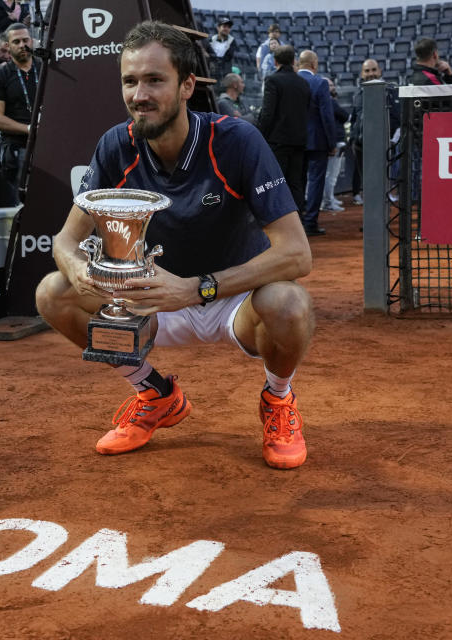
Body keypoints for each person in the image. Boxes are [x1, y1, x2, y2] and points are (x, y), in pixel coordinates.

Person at [35, 21, 315, 470]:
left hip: (232, 301)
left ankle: (277, 400)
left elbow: (297, 254)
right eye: (130, 81)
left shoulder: (237, 141)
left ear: (187, 86)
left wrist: (197, 288)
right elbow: (66, 240)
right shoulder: (115, 145)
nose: (139, 94)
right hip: (153, 302)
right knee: (53, 293)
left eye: (154, 80)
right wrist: (79, 270)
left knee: (289, 302)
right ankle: (155, 394)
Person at [0, 23, 41, 204]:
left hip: (49, 147)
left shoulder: (46, 68)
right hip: (18, 149)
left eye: (25, 40)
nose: (22, 45)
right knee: (25, 206)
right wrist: (28, 128)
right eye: (16, 41)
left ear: (32, 41)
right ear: (8, 46)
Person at [258, 45, 309, 218]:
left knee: (276, 182)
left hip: (277, 141)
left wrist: (260, 135)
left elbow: (267, 113)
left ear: (275, 61)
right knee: (296, 182)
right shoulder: (303, 82)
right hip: (299, 140)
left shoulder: (272, 80)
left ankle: (279, 221)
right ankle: (298, 221)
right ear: (294, 61)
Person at [348, 59, 400, 207]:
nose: (371, 74)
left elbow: (397, 118)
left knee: (379, 184)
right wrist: (353, 139)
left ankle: (380, 222)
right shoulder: (358, 93)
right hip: (360, 146)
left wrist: (389, 141)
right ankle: (371, 222)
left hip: (380, 146)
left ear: (380, 71)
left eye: (373, 70)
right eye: (367, 71)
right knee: (367, 183)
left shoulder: (390, 90)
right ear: (362, 74)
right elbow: (354, 118)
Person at [297, 50, 338, 236]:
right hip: (316, 141)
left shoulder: (291, 81)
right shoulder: (320, 82)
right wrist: (332, 142)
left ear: (299, 63)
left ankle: (296, 222)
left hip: (294, 141)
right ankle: (310, 223)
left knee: (296, 182)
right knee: (315, 181)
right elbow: (327, 116)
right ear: (314, 64)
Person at [322, 78, 348, 213]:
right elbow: (345, 115)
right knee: (330, 175)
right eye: (329, 85)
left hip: (335, 140)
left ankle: (329, 199)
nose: (332, 87)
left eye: (332, 84)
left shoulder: (329, 101)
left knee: (332, 174)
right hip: (334, 141)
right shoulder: (329, 102)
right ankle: (328, 202)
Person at [204, 16, 236, 82]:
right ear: (218, 28)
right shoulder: (211, 40)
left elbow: (229, 56)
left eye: (229, 27)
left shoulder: (232, 41)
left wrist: (213, 58)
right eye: (224, 26)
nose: (226, 29)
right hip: (211, 71)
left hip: (225, 73)